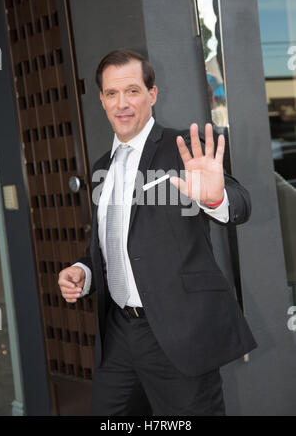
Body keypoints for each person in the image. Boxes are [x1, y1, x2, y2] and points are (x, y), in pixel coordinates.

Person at [58, 49, 257, 416]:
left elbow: (240, 204)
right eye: (112, 93)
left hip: (177, 333)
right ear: (101, 100)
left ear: (152, 94)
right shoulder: (102, 167)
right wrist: (85, 272)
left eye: (132, 91)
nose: (122, 103)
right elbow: (112, 244)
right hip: (118, 334)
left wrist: (216, 199)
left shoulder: (183, 151)